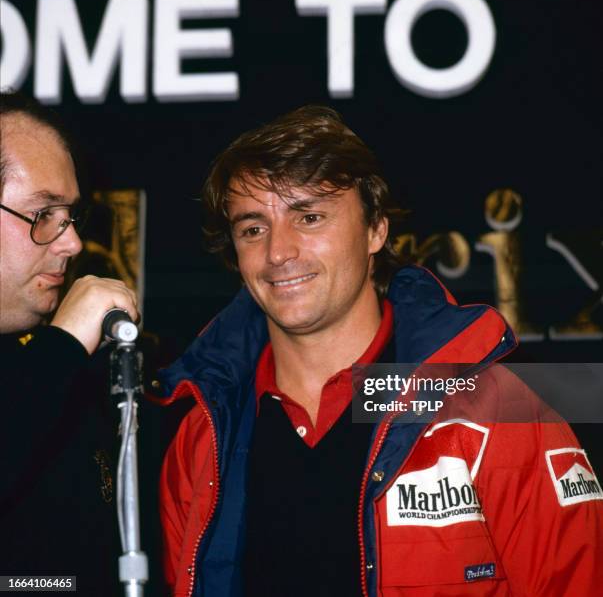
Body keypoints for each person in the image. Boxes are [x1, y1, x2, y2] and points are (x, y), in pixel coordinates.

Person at [156, 106, 603, 596]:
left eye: (309, 217)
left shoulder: (498, 410)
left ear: (376, 230)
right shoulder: (202, 432)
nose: (278, 252)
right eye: (253, 228)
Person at [0, 91, 138, 592]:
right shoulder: (55, 359)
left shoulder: (62, 368)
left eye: (69, 216)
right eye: (43, 215)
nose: (72, 243)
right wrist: (62, 346)